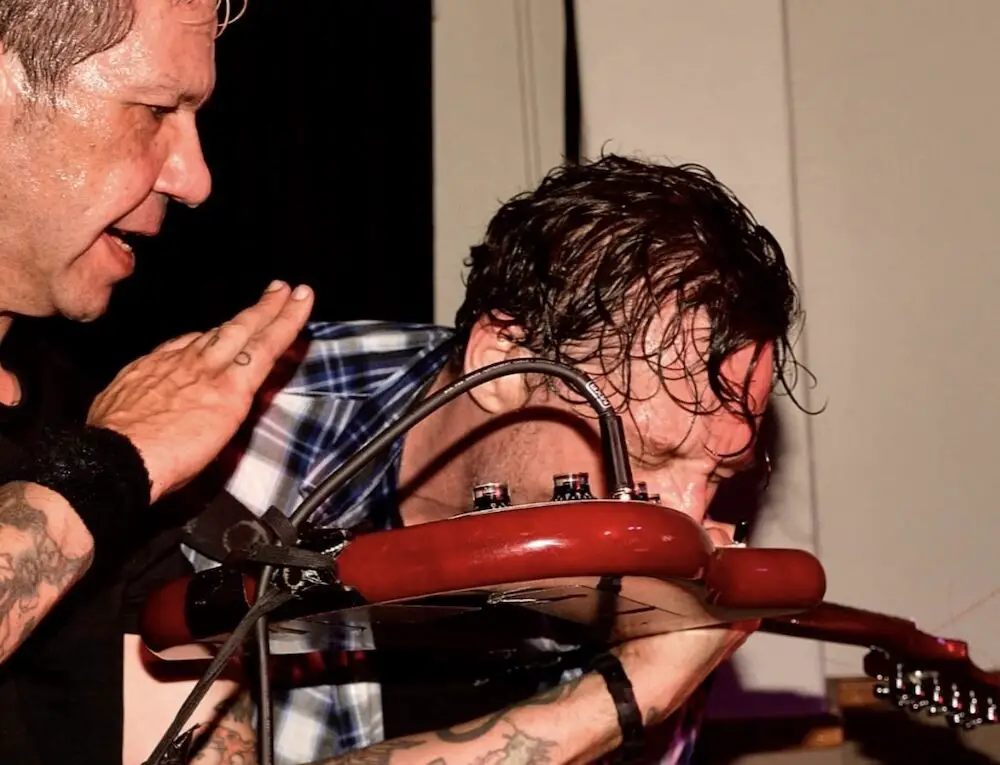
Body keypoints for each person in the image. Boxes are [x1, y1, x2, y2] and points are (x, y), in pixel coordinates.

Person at [135, 153, 806, 765]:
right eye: (648, 455)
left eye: (718, 475)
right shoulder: (231, 441)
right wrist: (625, 698)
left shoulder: (668, 574)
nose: (689, 515)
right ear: (502, 363)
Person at [0, 1, 315, 763]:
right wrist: (117, 457)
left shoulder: (80, 412)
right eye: (155, 111)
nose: (194, 179)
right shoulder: (112, 447)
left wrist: (598, 699)